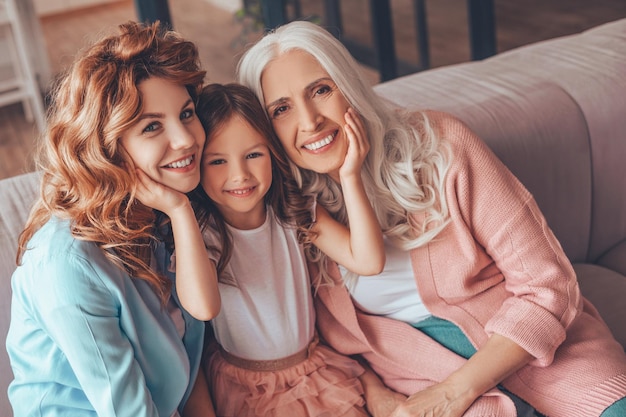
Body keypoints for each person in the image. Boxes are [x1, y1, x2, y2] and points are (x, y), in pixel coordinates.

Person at [236, 20, 626, 417]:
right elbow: (314, 342)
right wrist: (378, 396)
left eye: (321, 90)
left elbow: (549, 284)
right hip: (421, 377)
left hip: (535, 345)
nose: (309, 121)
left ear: (349, 86)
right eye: (281, 109)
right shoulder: (289, 209)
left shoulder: (443, 146)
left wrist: (456, 391)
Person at [6, 21, 217, 417]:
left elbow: (191, 354)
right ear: (107, 148)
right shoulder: (69, 264)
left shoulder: (167, 208)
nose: (187, 138)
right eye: (152, 125)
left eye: (186, 113)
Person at [170, 82, 385, 417]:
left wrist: (350, 177)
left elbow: (368, 260)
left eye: (254, 155)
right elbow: (202, 307)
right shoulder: (203, 236)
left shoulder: (292, 212)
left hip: (313, 371)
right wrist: (178, 208)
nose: (239, 175)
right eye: (217, 162)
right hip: (245, 387)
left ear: (273, 154)